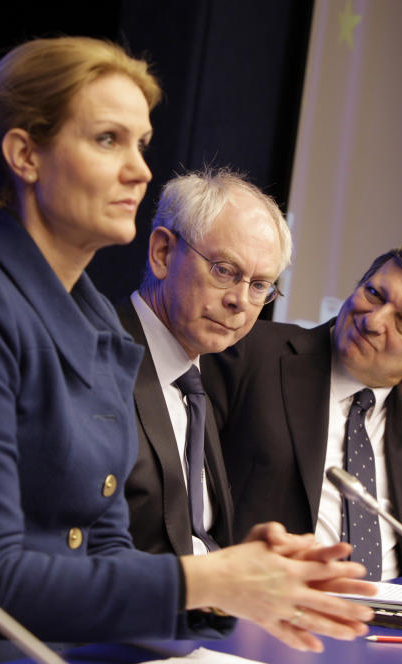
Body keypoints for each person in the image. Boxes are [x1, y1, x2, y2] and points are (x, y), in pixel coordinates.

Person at [0, 37, 372, 663]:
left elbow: (106, 553)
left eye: (141, 143)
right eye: (108, 139)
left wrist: (237, 584)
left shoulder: (92, 322)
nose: (139, 169)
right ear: (26, 154)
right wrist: (212, 581)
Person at [203, 247, 402, 581]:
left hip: (389, 617)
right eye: (374, 294)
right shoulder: (251, 354)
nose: (373, 321)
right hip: (274, 604)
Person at [120, 168, 290, 556]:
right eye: (225, 271)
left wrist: (242, 560)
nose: (240, 300)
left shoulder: (198, 382)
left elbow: (190, 538)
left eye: (260, 285)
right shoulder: (96, 360)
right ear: (163, 253)